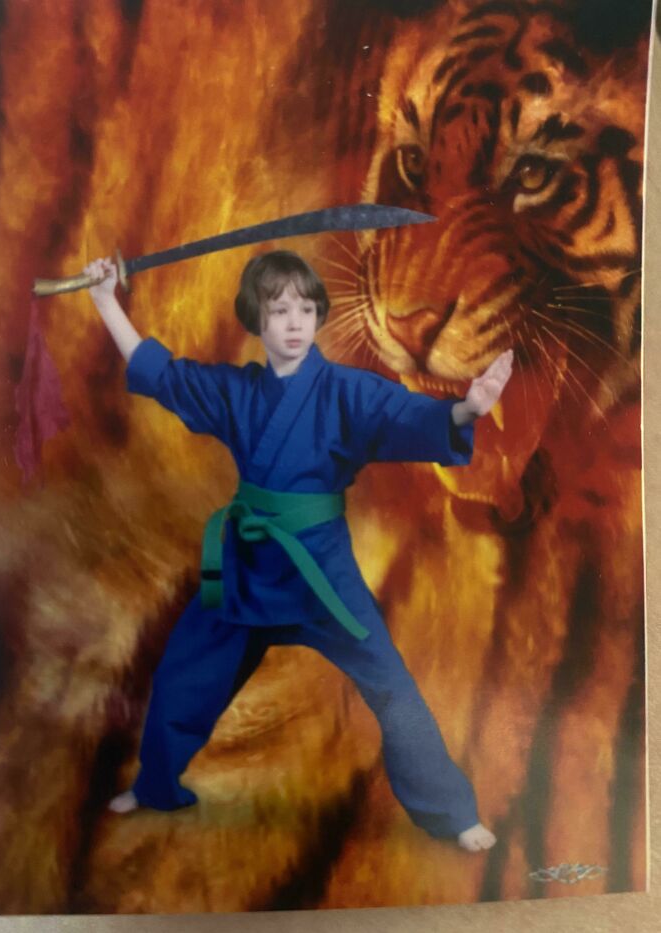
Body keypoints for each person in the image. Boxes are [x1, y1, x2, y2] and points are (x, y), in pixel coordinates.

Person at [83, 250, 512, 852]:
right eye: (278, 310)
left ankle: (451, 813)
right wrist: (105, 300)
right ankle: (156, 784)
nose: (294, 323)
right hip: (246, 564)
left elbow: (406, 414)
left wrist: (468, 407)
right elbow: (164, 375)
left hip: (320, 573)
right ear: (255, 321)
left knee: (391, 684)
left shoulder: (345, 392)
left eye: (305, 310)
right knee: (184, 672)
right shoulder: (235, 392)